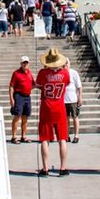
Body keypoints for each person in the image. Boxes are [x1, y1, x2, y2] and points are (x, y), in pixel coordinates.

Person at [36, 48, 71, 176]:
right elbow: (66, 84)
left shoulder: (43, 73)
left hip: (46, 107)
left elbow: (39, 84)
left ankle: (45, 169)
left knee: (44, 139)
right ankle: (63, 167)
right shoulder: (66, 73)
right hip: (60, 107)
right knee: (62, 138)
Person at [9, 56, 35, 144]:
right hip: (18, 96)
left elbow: (33, 84)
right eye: (24, 62)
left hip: (27, 96)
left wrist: (42, 87)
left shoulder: (29, 72)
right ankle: (14, 137)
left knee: (25, 117)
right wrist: (11, 99)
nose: (25, 64)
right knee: (17, 116)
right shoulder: (16, 73)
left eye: (26, 62)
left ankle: (23, 136)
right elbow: (11, 87)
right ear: (21, 64)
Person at [64, 59, 83, 144]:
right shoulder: (61, 73)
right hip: (63, 100)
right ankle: (66, 135)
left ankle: (76, 135)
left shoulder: (74, 73)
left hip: (73, 99)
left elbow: (79, 87)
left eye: (66, 64)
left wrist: (80, 97)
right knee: (66, 119)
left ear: (69, 64)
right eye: (63, 64)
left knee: (75, 117)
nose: (65, 66)